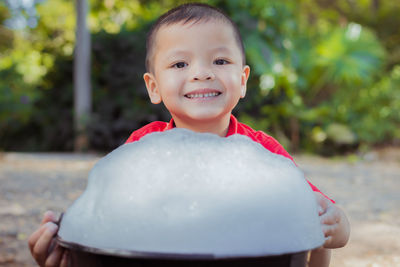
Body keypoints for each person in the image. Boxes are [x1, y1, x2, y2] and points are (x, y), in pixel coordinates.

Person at [28, 3, 350, 266]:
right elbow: (110, 222)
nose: (201, 72)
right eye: (180, 64)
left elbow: (317, 214)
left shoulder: (261, 153)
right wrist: (66, 254)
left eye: (220, 60)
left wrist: (338, 226)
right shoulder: (144, 148)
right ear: (153, 87)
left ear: (243, 80)